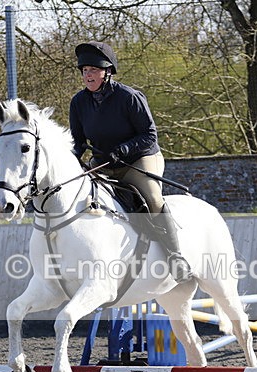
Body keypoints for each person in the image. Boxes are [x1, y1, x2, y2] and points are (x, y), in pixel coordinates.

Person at [69, 41, 191, 282]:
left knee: (153, 198)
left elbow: (149, 134)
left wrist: (123, 149)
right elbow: (78, 143)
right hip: (104, 163)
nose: (88, 75)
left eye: (93, 70)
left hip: (140, 158)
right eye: (84, 71)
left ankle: (175, 256)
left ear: (107, 72)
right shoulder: (78, 103)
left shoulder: (129, 97)